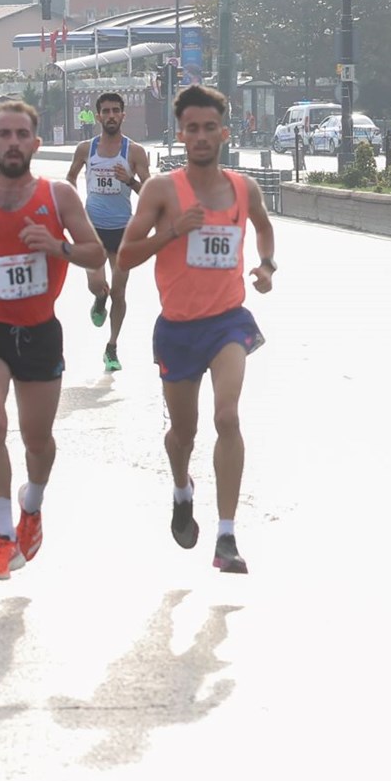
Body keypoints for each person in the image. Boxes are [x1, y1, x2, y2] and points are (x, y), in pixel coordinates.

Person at [0, 101, 106, 581]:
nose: (13, 143)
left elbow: (95, 252)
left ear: (36, 143)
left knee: (38, 440)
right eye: (4, 135)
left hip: (39, 331)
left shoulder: (59, 195)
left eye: (22, 135)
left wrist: (57, 246)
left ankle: (32, 505)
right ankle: (3, 537)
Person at [118, 84, 275, 575]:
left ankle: (226, 536)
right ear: (181, 134)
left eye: (210, 128)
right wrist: (172, 231)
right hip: (178, 329)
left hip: (228, 321)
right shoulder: (161, 190)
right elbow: (125, 255)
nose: (202, 136)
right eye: (192, 129)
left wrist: (267, 265)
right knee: (182, 433)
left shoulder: (244, 188)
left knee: (226, 418)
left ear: (224, 133)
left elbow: (264, 227)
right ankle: (182, 489)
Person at [66, 90, 150, 372]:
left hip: (123, 230)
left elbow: (150, 193)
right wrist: (74, 209)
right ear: (98, 116)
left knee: (120, 292)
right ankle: (98, 299)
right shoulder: (85, 149)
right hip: (92, 229)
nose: (111, 116)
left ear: (123, 115)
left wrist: (130, 181)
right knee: (96, 285)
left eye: (116, 111)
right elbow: (70, 178)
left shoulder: (134, 151)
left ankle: (112, 347)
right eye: (106, 111)